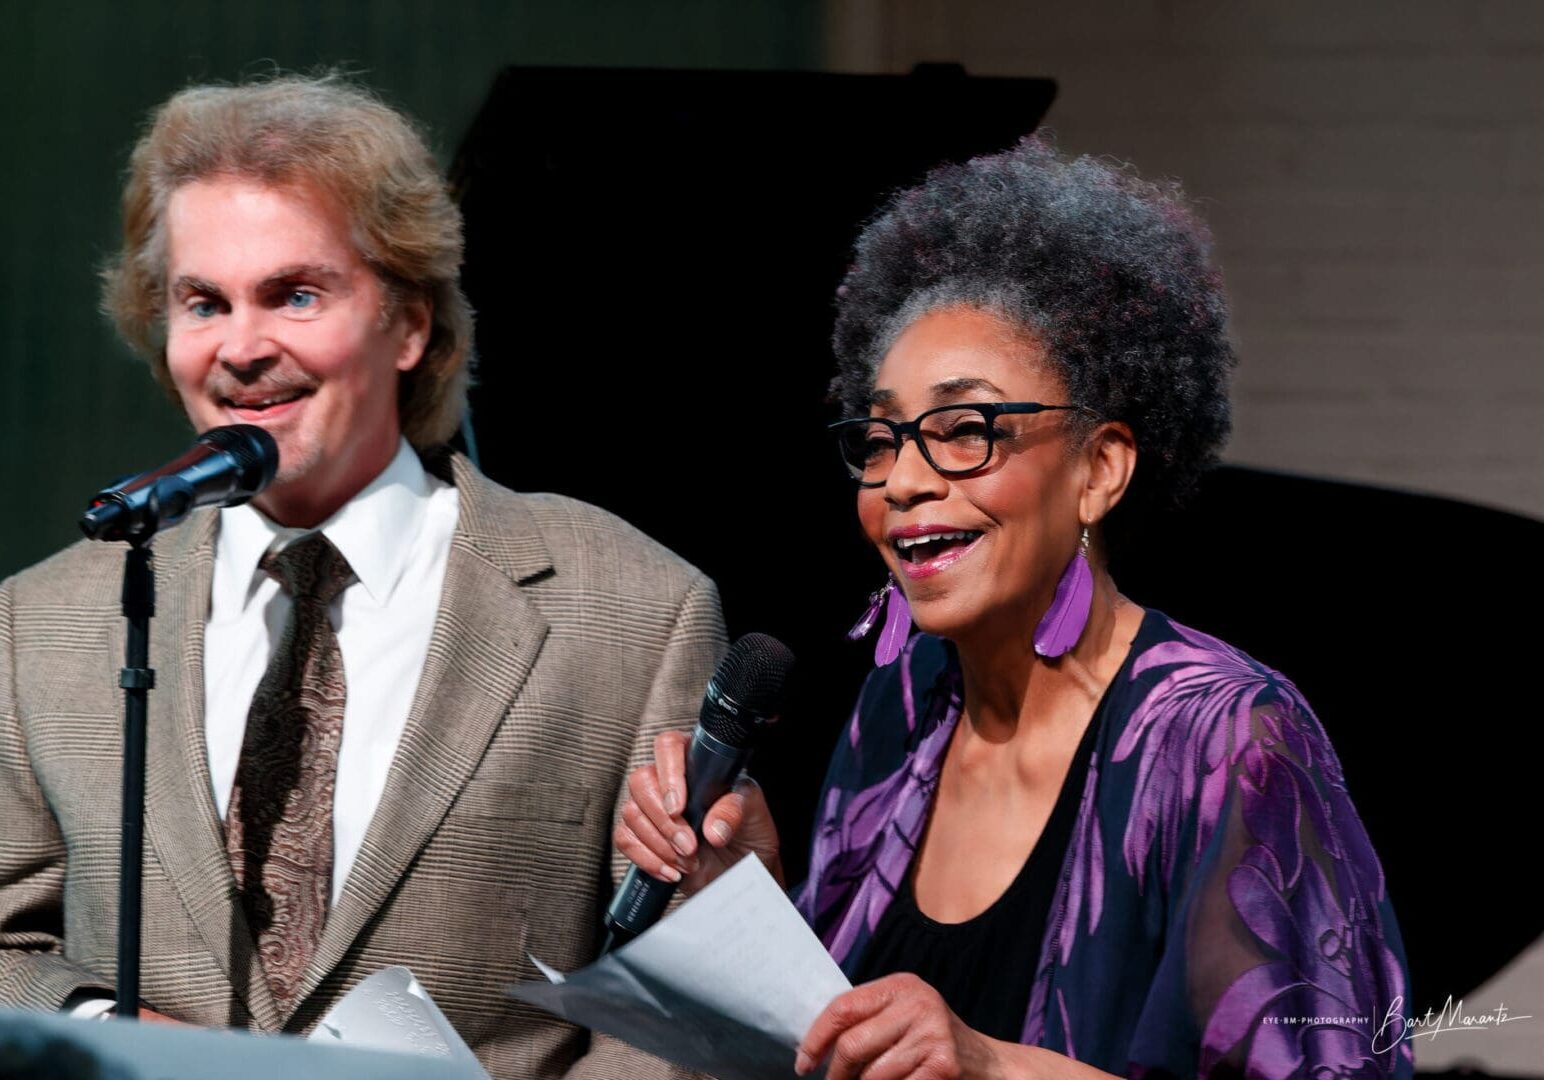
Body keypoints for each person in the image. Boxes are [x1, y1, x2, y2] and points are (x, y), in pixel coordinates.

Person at [617, 137, 1414, 1079]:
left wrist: (993, 1067)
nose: (903, 480)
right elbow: (842, 1037)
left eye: (964, 429)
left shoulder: (1229, 741)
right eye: (879, 440)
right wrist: (746, 890)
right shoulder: (899, 708)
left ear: (1098, 470)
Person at [0, 74, 725, 1079]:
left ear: (409, 323)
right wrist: (109, 1027)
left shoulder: (631, 610)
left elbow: (683, 1003)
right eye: (203, 302)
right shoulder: (43, 623)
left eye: (297, 294)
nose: (243, 348)